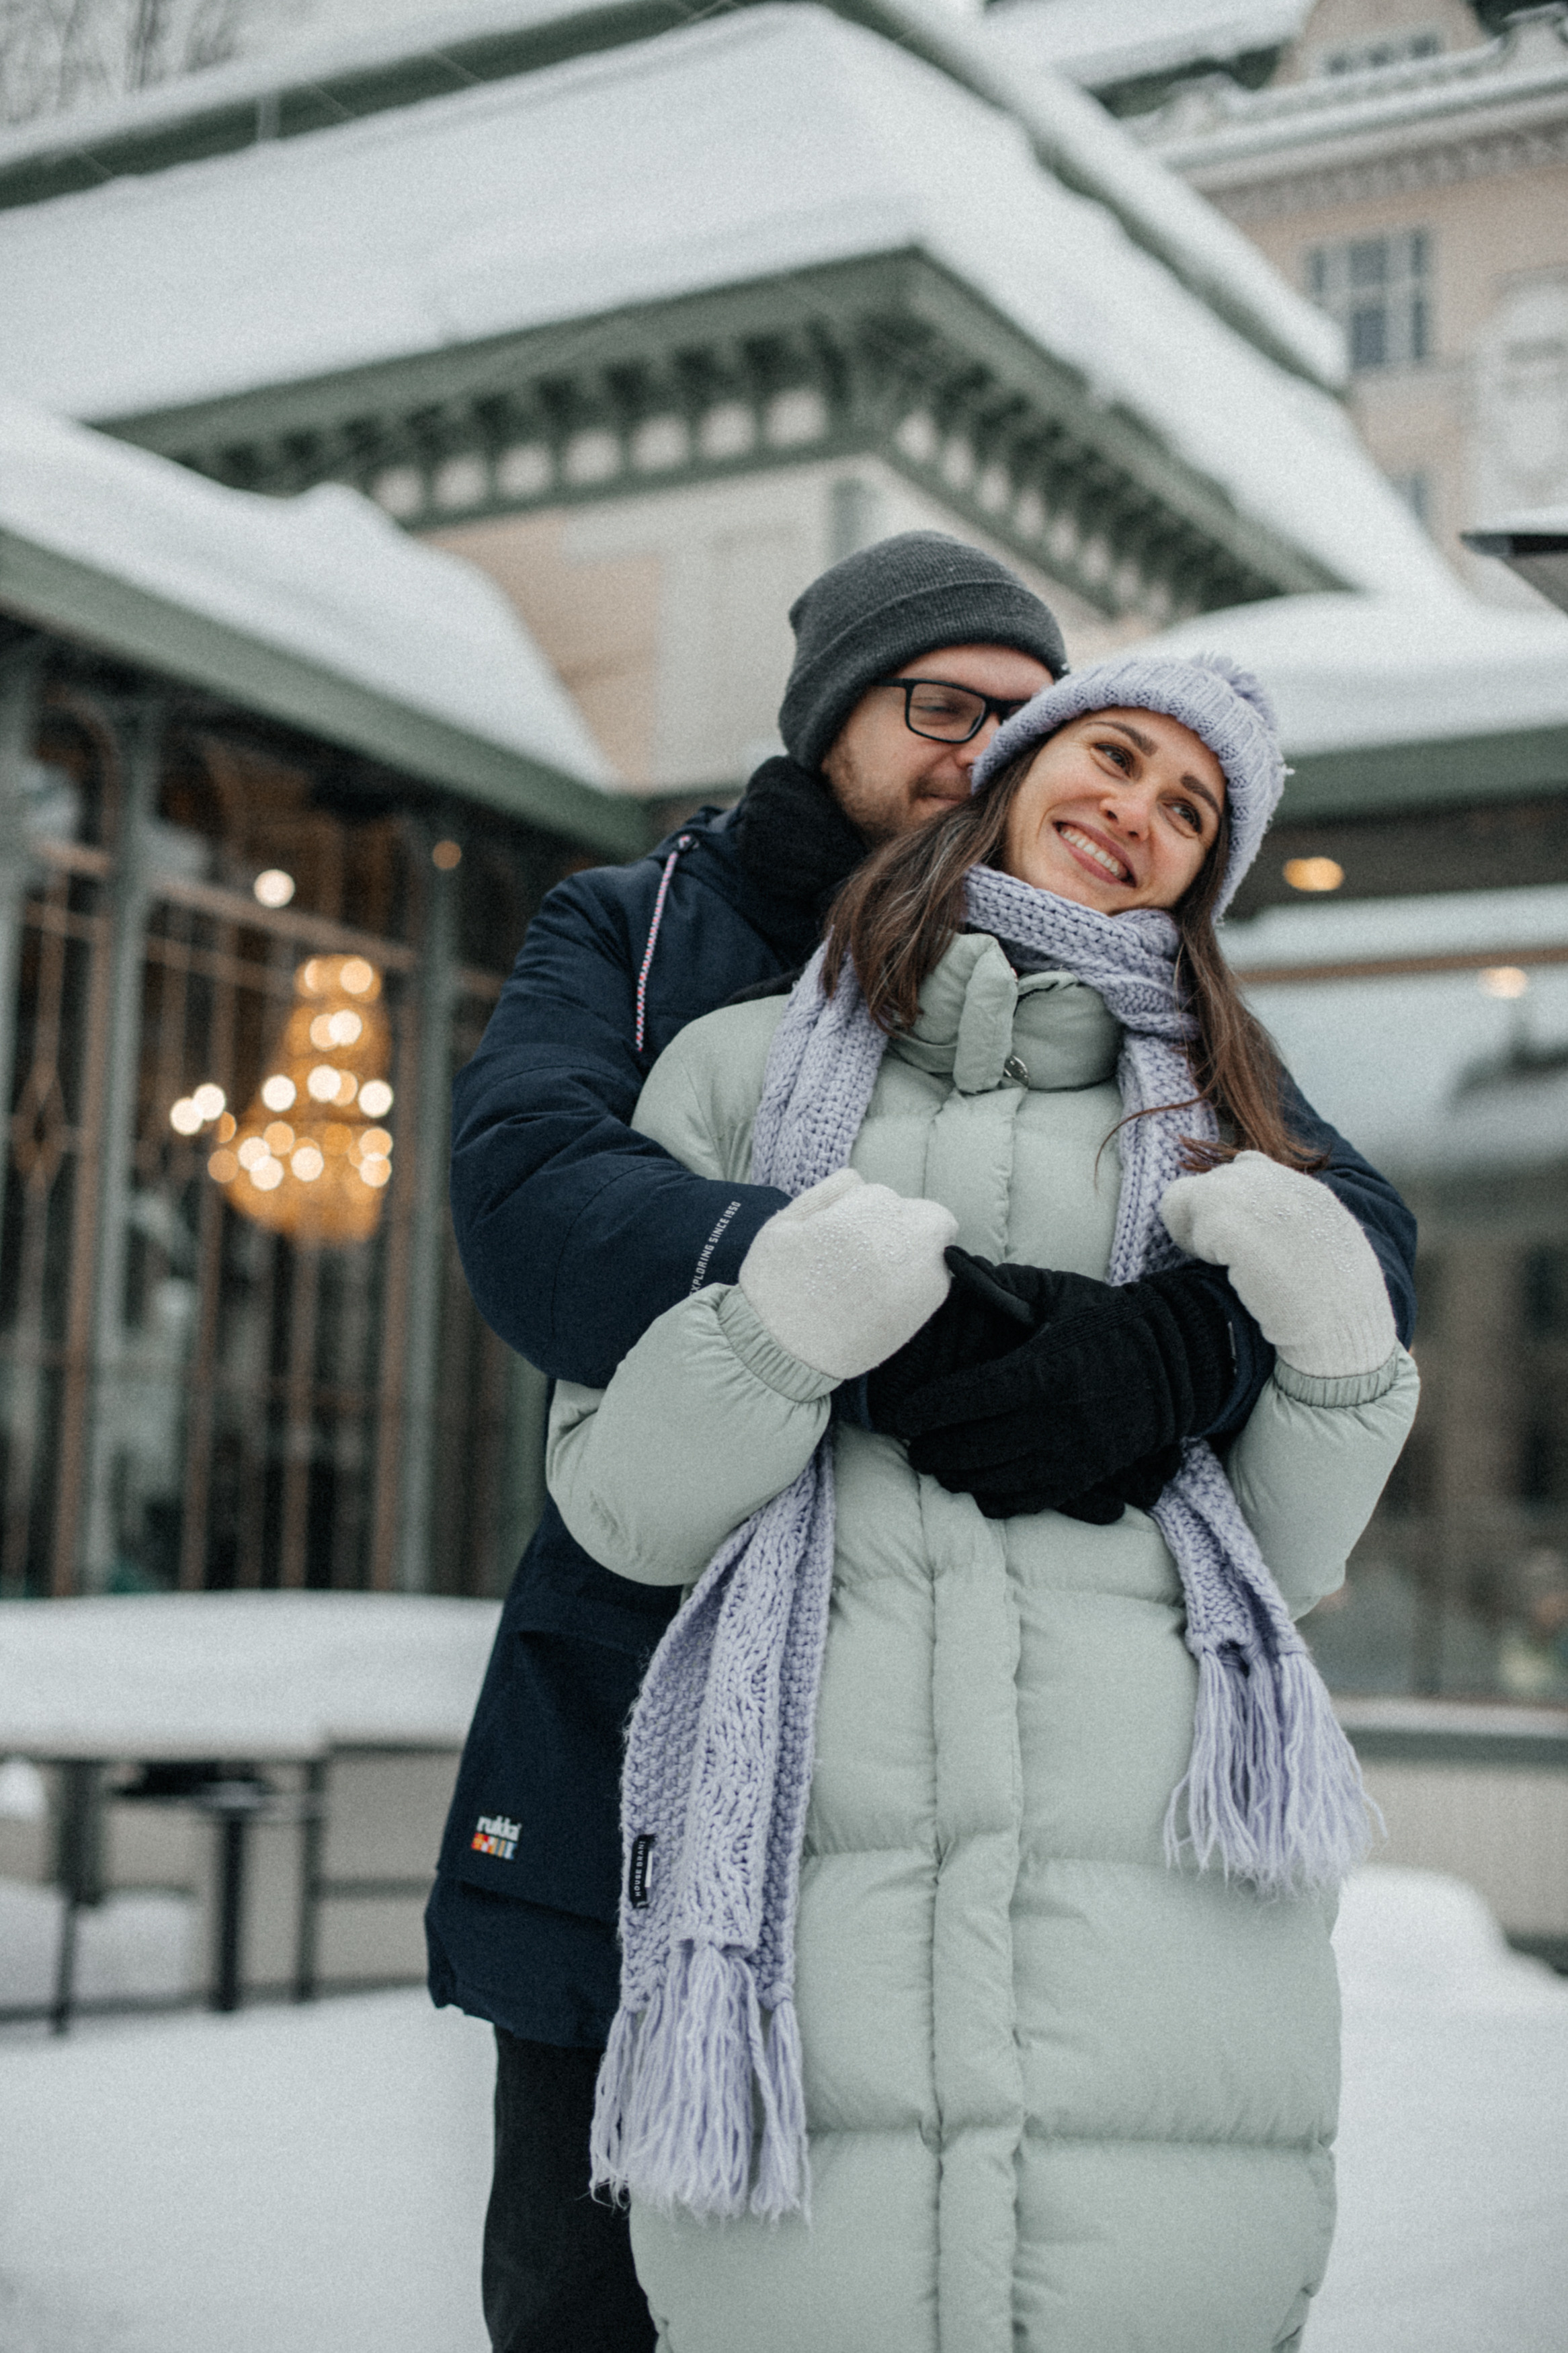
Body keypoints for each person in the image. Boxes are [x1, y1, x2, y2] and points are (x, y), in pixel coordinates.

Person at [427, 541, 1415, 2352]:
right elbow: (534, 1199)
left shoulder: (1163, 1038)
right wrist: (880, 1316)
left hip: (1034, 1764)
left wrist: (1186, 1342)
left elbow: (1348, 1233)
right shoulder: (670, 943)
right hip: (655, 1691)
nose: (979, 758)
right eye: (937, 713)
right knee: (591, 2260)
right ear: (832, 720)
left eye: (1010, 719)